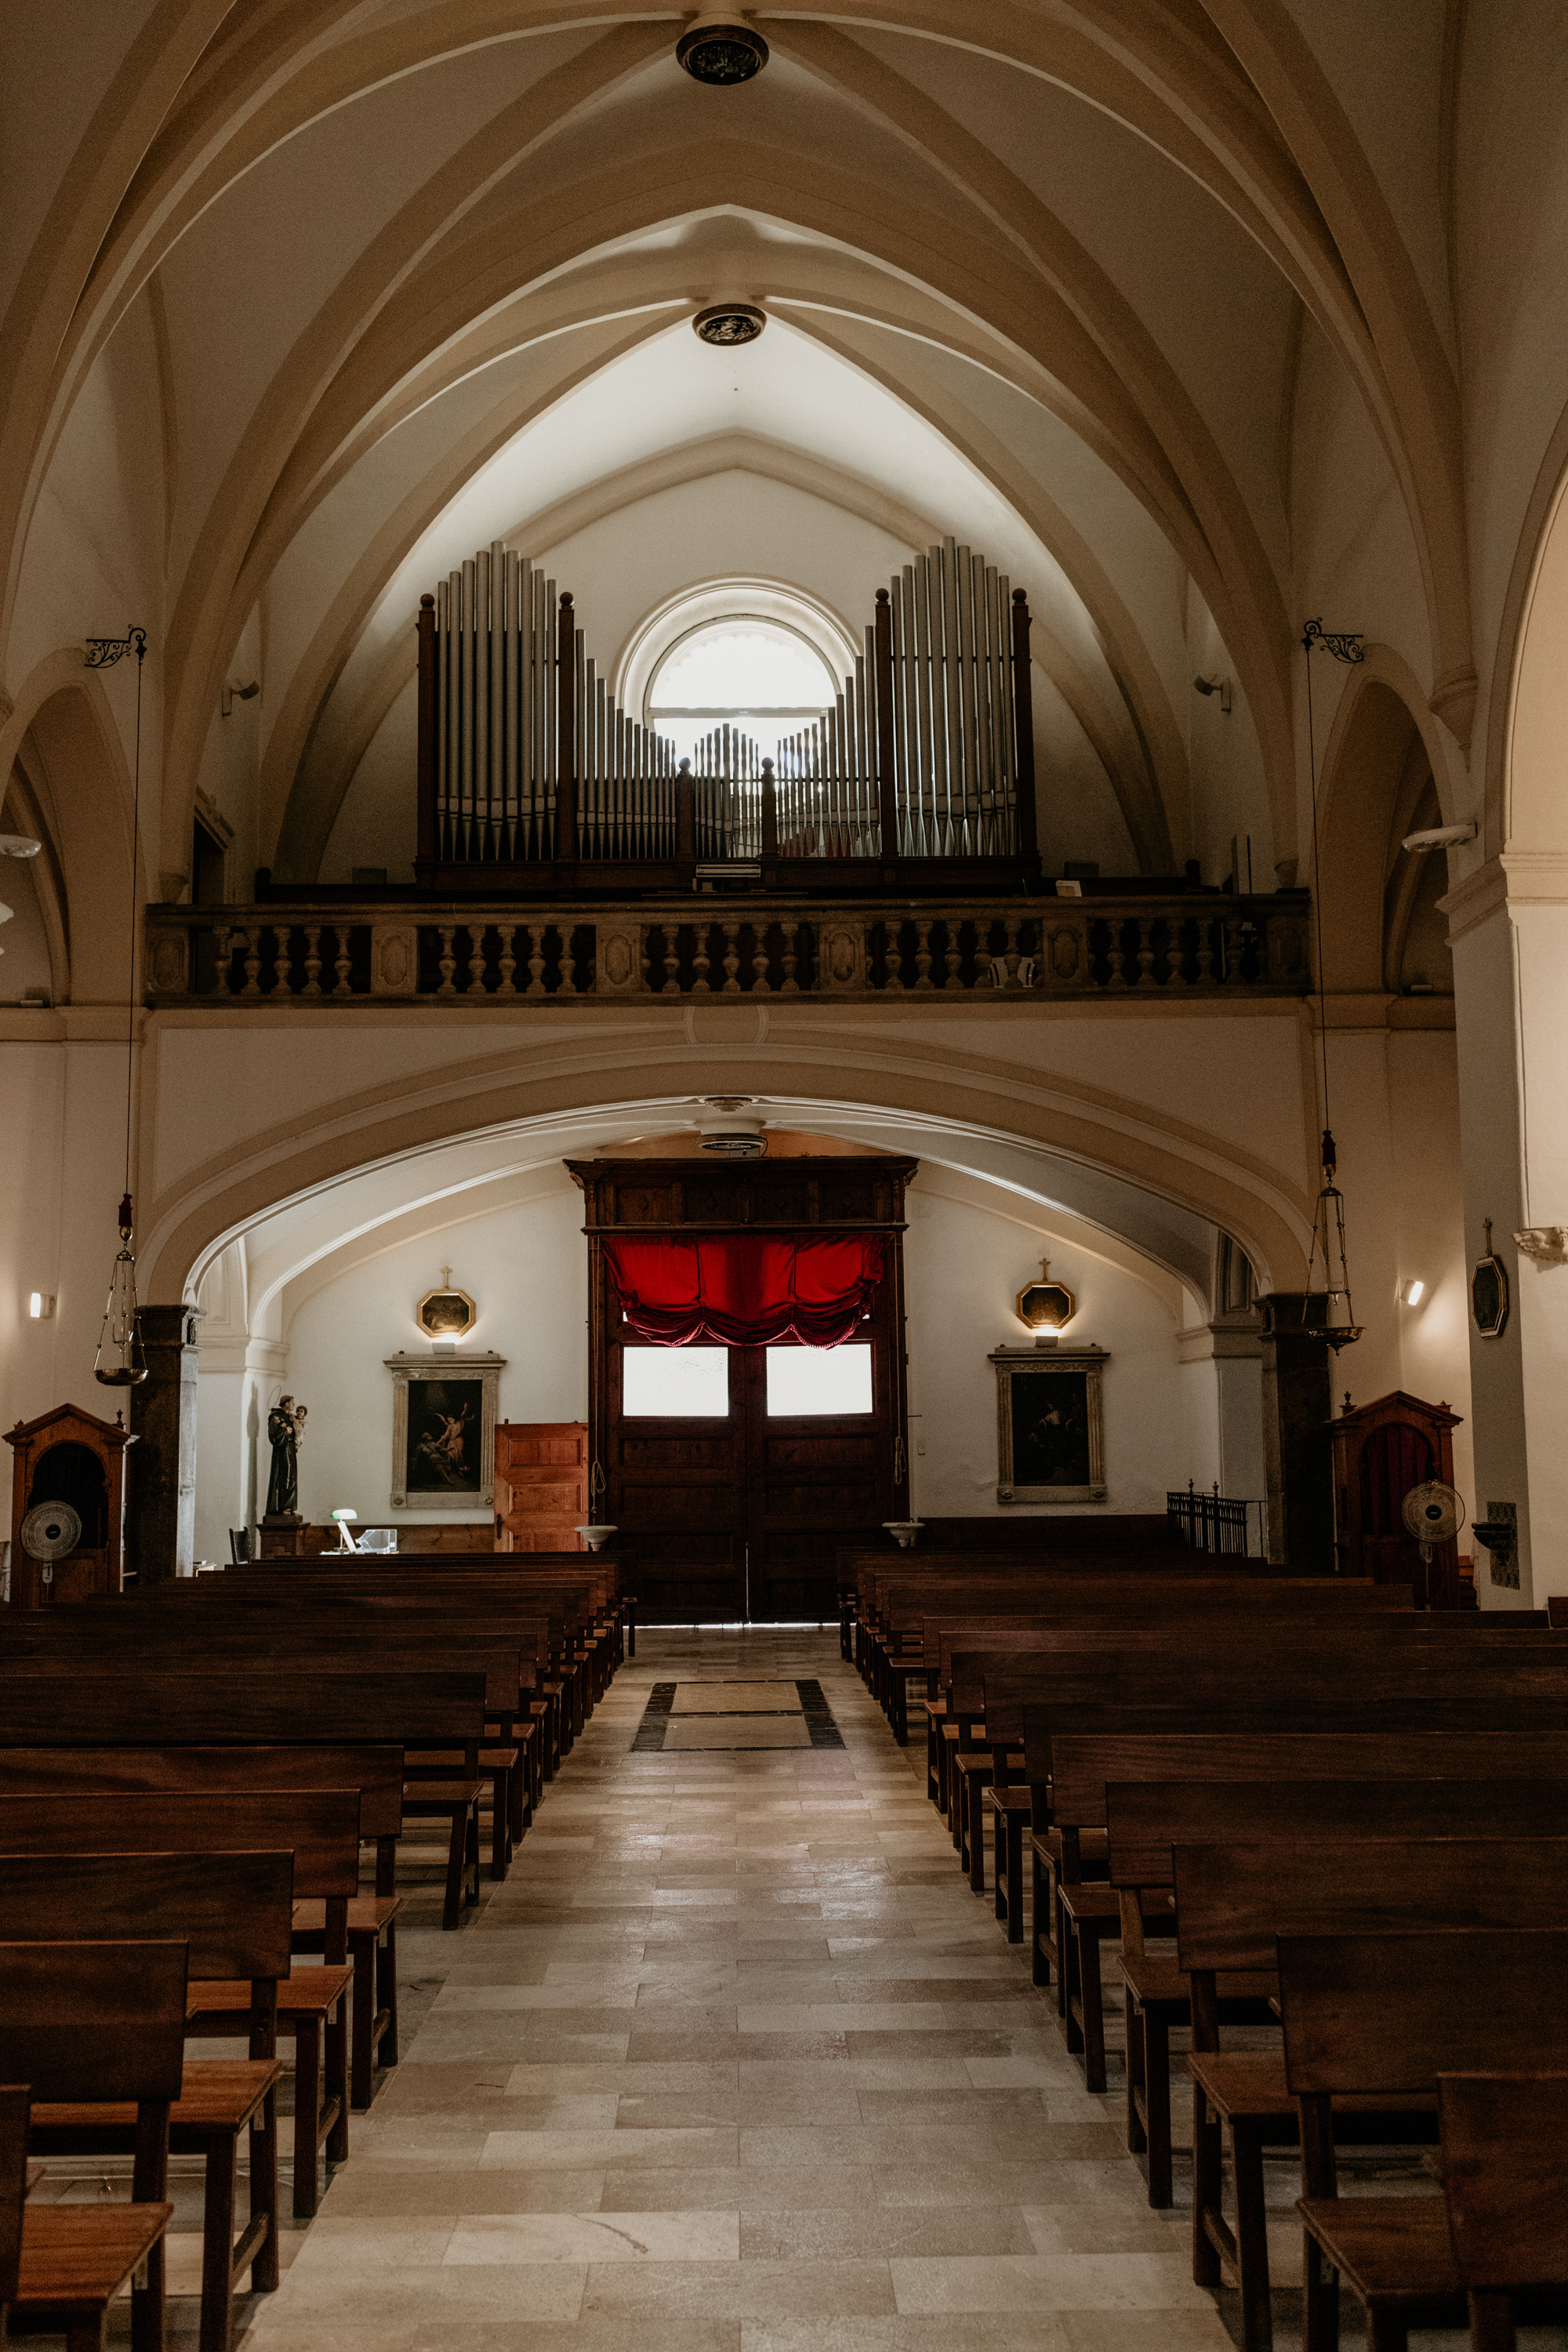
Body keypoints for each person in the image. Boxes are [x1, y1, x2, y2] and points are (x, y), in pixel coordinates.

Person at [265, 1395, 307, 1517]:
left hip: (290, 1449)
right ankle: (282, 1506)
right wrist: (285, 1432)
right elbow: (273, 1435)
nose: (294, 1406)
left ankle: (289, 1505)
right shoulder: (276, 1416)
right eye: (292, 1403)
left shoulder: (289, 1417)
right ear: (287, 1404)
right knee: (284, 1476)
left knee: (291, 1476)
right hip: (282, 1451)